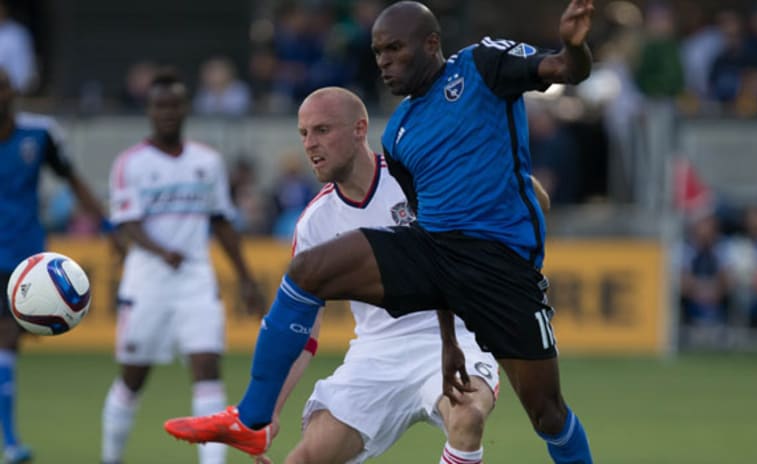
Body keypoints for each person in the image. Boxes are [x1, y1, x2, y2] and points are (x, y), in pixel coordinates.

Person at [165, 2, 595, 463]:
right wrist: (448, 341)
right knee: (308, 269)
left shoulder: (481, 65)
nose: (384, 62)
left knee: (547, 415)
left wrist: (573, 45)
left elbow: (564, 69)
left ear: (431, 44)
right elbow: (428, 233)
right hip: (431, 272)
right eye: (377, 53)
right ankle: (250, 418)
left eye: (394, 49)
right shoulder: (401, 135)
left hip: (502, 275)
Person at [263, 87, 501, 464]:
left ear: (360, 129)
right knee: (305, 459)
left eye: (323, 130)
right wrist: (270, 410)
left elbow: (514, 203)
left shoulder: (419, 179)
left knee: (468, 416)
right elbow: (304, 330)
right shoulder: (314, 223)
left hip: (454, 338)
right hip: (377, 353)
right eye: (304, 133)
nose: (310, 144)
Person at [101, 70, 265, 464]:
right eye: (161, 105)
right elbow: (126, 223)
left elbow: (221, 221)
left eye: (175, 104)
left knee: (207, 365)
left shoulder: (206, 162)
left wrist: (245, 277)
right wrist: (161, 251)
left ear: (186, 107)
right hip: (147, 283)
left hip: (195, 279)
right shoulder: (131, 164)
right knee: (133, 377)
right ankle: (111, 457)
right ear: (149, 110)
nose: (168, 112)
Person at [0, 66, 115, 463]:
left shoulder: (39, 134)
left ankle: (11, 441)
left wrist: (104, 224)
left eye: (3, 85)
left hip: (23, 260)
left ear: (14, 90)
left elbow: (73, 178)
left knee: (7, 341)